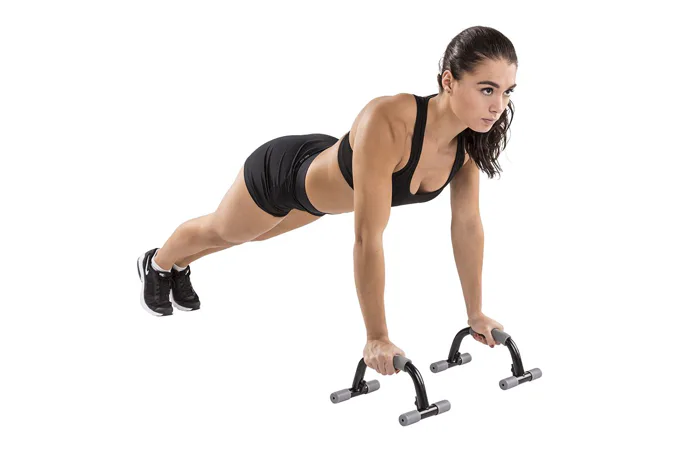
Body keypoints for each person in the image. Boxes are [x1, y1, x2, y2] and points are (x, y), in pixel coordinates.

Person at [136, 26, 517, 376]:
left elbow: (467, 225)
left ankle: (180, 266)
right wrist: (377, 337)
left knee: (251, 235)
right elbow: (368, 237)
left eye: (506, 92)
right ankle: (158, 263)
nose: (498, 105)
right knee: (225, 231)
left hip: (320, 193)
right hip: (285, 174)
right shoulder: (391, 118)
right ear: (449, 81)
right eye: (487, 89)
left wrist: (476, 313)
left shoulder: (468, 144)